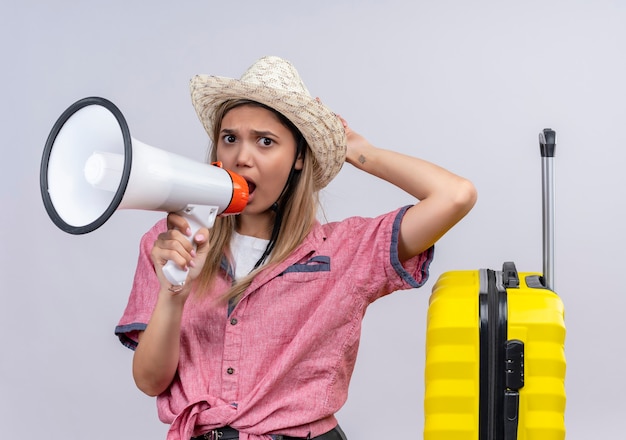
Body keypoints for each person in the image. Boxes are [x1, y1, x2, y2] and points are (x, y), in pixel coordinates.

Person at [115, 56, 477, 440]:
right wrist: (174, 294)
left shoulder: (344, 252)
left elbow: (455, 195)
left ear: (299, 158)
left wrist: (354, 150)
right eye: (230, 138)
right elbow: (151, 382)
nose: (242, 157)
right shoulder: (173, 242)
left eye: (266, 141)